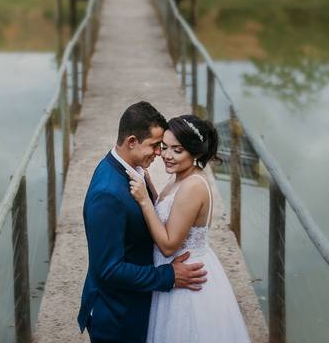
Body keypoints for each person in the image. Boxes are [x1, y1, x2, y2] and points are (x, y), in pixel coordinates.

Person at [78, 101, 208, 343]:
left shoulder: (131, 170)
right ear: (131, 142)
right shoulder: (107, 194)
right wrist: (168, 275)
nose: (160, 153)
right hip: (117, 315)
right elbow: (108, 269)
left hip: (134, 303)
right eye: (155, 145)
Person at [127, 114, 251, 342]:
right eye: (164, 147)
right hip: (175, 272)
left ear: (195, 152)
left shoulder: (193, 186)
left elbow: (168, 245)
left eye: (177, 150)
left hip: (186, 277)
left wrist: (144, 201)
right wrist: (151, 190)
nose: (167, 155)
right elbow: (170, 210)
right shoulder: (181, 177)